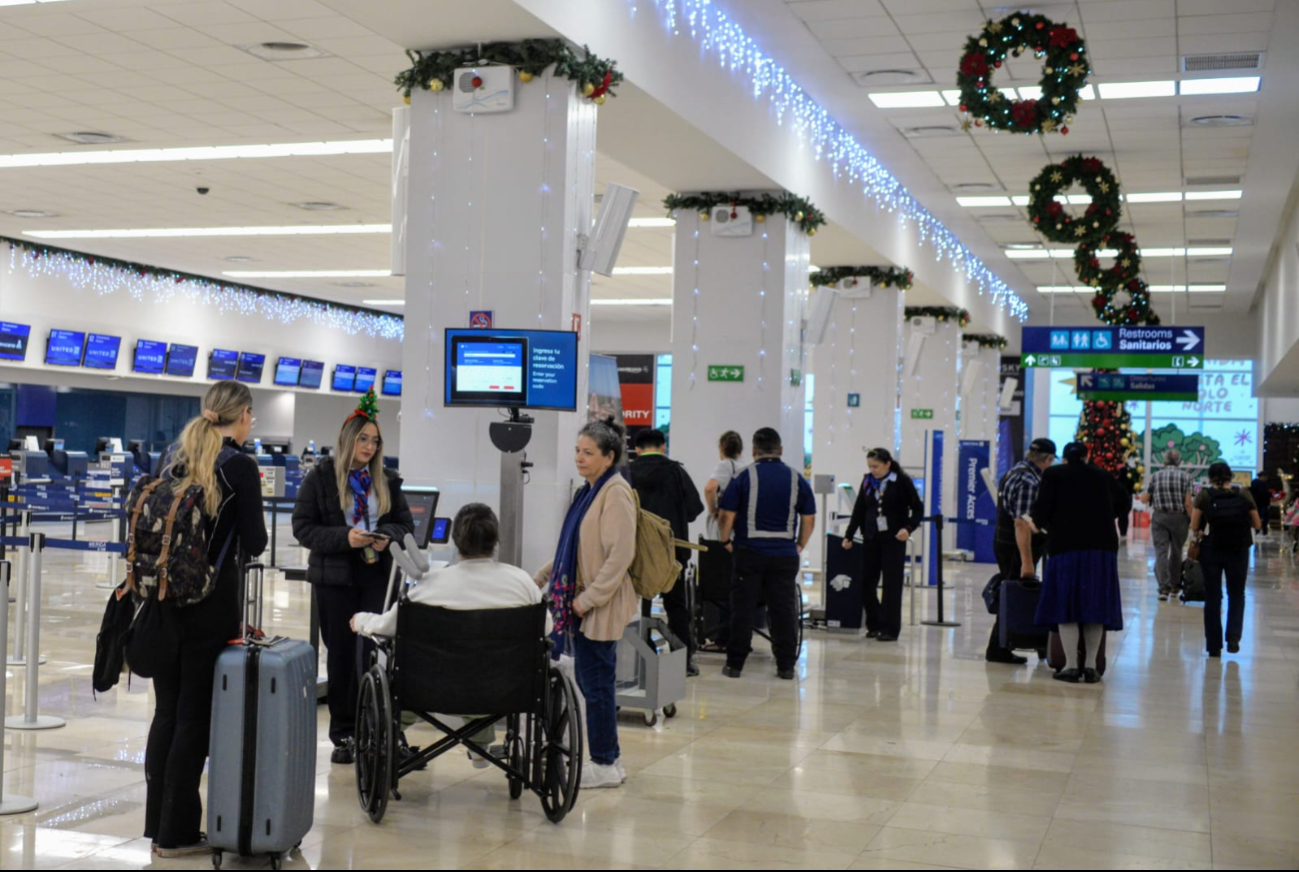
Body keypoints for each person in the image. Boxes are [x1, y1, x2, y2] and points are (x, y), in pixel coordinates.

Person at [144, 382, 267, 858]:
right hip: (210, 605)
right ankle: (176, 834)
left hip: (163, 601)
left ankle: (158, 828)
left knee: (167, 712)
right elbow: (254, 541)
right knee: (195, 717)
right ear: (241, 417)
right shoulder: (240, 467)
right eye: (251, 416)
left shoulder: (173, 458)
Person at [352, 503, 543, 765]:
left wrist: (362, 620)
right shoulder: (522, 583)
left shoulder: (429, 586)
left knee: (413, 673)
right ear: (496, 539)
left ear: (455, 541)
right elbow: (547, 628)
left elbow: (387, 626)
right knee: (483, 667)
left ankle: (390, 734)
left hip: (431, 689)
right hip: (506, 689)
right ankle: (480, 744)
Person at [291, 389, 413, 765]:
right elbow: (303, 528)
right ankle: (344, 733)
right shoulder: (322, 478)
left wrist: (382, 537)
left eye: (375, 441)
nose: (370, 447)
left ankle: (381, 728)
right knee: (342, 656)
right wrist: (346, 538)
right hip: (335, 578)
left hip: (377, 574)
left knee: (375, 652)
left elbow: (404, 526)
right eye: (364, 439)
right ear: (349, 439)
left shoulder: (387, 480)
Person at [534, 419, 638, 790]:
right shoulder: (589, 491)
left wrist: (585, 601)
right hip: (582, 602)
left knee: (596, 685)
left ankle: (605, 763)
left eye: (588, 452)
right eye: (578, 450)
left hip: (598, 604)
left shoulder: (615, 493)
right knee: (594, 681)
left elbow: (618, 556)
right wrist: (545, 575)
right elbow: (574, 547)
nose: (579, 458)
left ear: (609, 457)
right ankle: (611, 759)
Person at [717, 427, 816, 678]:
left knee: (743, 609)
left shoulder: (744, 476)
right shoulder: (796, 479)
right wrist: (799, 544)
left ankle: (735, 664)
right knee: (783, 610)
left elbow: (727, 514)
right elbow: (809, 517)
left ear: (753, 450)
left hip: (749, 552)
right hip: (784, 555)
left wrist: (725, 540)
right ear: (780, 450)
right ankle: (785, 666)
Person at [1030, 442, 1124, 684]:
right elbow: (1125, 502)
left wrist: (1046, 525)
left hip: (1065, 547)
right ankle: (1091, 666)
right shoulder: (1103, 475)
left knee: (1066, 605)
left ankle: (1071, 666)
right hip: (1102, 550)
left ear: (1064, 457)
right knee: (1096, 607)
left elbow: (1040, 511)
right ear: (1086, 456)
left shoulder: (1053, 474)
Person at [628, 428, 704, 674]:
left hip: (637, 554)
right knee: (677, 607)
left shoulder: (627, 474)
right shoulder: (677, 472)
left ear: (637, 449)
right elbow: (694, 510)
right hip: (673, 553)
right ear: (663, 447)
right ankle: (683, 661)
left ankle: (641, 656)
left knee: (640, 606)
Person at [841, 447, 924, 644]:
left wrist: (908, 528)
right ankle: (874, 623)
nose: (873, 470)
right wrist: (849, 534)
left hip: (893, 539)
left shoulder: (901, 481)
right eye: (870, 466)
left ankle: (890, 628)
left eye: (876, 466)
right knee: (866, 582)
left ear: (887, 464)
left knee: (891, 585)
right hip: (871, 537)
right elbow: (859, 508)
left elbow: (917, 508)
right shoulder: (868, 481)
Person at [986, 438, 1056, 663]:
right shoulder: (1028, 481)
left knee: (1011, 593)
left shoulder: (1015, 470)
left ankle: (1008, 645)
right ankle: (998, 648)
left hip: (1005, 542)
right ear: (1048, 459)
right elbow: (1022, 523)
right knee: (1015, 594)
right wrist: (1027, 561)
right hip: (1016, 547)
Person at [1191, 462, 1262, 657]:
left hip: (1212, 549)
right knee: (1237, 594)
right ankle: (1233, 638)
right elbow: (1256, 523)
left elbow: (1194, 525)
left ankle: (1214, 646)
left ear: (1210, 476)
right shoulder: (1243, 494)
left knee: (1213, 596)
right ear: (1230, 476)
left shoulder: (1205, 495)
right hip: (1238, 550)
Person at [1141, 449, 1194, 601]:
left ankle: (1163, 588)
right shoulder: (1186, 477)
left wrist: (1145, 495)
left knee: (1161, 552)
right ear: (1179, 462)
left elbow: (1145, 499)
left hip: (1160, 516)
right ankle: (1175, 586)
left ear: (1164, 462)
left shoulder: (1155, 476)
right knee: (1177, 552)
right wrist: (1193, 522)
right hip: (1179, 517)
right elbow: (1188, 503)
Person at [705, 430, 745, 536]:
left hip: (724, 523)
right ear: (740, 450)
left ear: (721, 448)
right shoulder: (744, 468)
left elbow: (709, 488)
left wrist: (713, 510)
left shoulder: (725, 465)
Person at [1249, 472, 1272, 537]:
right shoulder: (1257, 483)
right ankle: (1259, 531)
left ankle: (1262, 531)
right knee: (1261, 517)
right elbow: (1262, 493)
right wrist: (1269, 494)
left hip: (1262, 503)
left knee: (1264, 518)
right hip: (1260, 503)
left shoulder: (1259, 483)